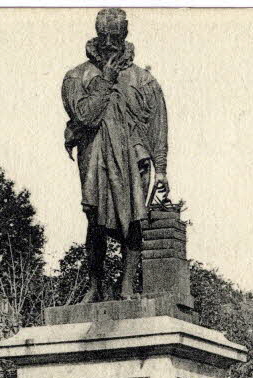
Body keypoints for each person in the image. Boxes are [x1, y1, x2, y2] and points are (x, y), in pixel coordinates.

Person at [62, 8, 169, 302]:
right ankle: (95, 285)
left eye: (115, 36)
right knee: (95, 219)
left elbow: (158, 126)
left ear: (125, 35)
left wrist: (161, 170)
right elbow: (85, 116)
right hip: (96, 157)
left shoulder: (144, 80)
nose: (109, 42)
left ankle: (127, 285)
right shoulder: (77, 77)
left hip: (134, 158)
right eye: (104, 35)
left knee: (134, 219)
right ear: (97, 34)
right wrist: (106, 80)